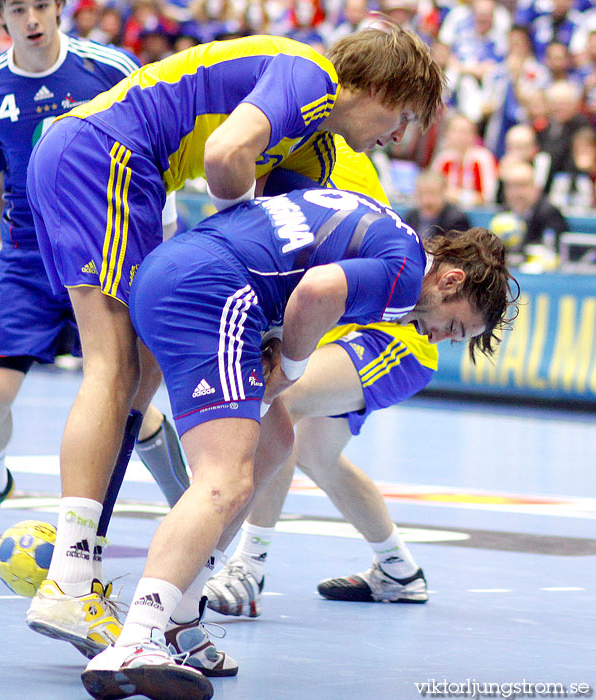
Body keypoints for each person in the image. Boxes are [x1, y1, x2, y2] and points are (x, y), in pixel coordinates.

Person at [26, 23, 445, 671]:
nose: (399, 136)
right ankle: (72, 576)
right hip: (107, 152)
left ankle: (114, 590)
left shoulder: (315, 152)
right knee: (112, 369)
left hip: (112, 163)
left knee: (135, 378)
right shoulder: (309, 75)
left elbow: (282, 246)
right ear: (376, 86)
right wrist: (224, 256)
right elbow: (225, 155)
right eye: (403, 114)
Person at [79, 188, 514, 700]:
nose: (440, 337)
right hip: (210, 291)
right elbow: (317, 290)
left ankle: (180, 618)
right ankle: (139, 636)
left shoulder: (391, 232)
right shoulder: (403, 277)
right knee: (223, 479)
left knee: (277, 439)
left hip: (184, 270)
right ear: (451, 278)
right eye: (453, 326)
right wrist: (290, 366)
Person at [0, 0, 189, 659]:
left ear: (57, 9)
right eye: (18, 8)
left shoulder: (109, 68)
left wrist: (157, 249)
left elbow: (154, 159)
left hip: (104, 241)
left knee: (126, 400)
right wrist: (5, 250)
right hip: (26, 256)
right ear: (0, 15)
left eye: (42, 6)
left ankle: (191, 512)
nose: (32, 19)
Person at [204, 319, 439, 616]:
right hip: (339, 332)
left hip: (394, 339)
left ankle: (250, 567)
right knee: (316, 455)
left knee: (280, 397)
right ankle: (399, 570)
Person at [404, 169, 471, 239]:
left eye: (432, 194)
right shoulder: (411, 217)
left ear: (443, 192)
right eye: (421, 194)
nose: (426, 200)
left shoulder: (456, 220)